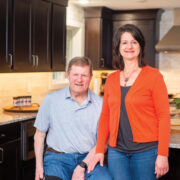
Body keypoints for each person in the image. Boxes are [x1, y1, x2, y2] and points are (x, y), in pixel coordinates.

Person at [88, 24, 171, 180]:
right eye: (124, 42)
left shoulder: (154, 76)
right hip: (116, 152)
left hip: (146, 152)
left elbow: (164, 116)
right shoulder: (111, 79)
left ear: (140, 46)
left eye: (134, 42)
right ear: (118, 48)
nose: (129, 46)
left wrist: (162, 154)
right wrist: (100, 150)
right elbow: (105, 116)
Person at [34, 56, 112, 180]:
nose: (79, 80)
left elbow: (103, 142)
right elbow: (39, 135)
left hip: (89, 157)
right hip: (57, 159)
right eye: (75, 74)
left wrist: (82, 165)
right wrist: (38, 166)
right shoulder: (51, 99)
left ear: (90, 77)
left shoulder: (101, 104)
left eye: (84, 75)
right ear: (68, 75)